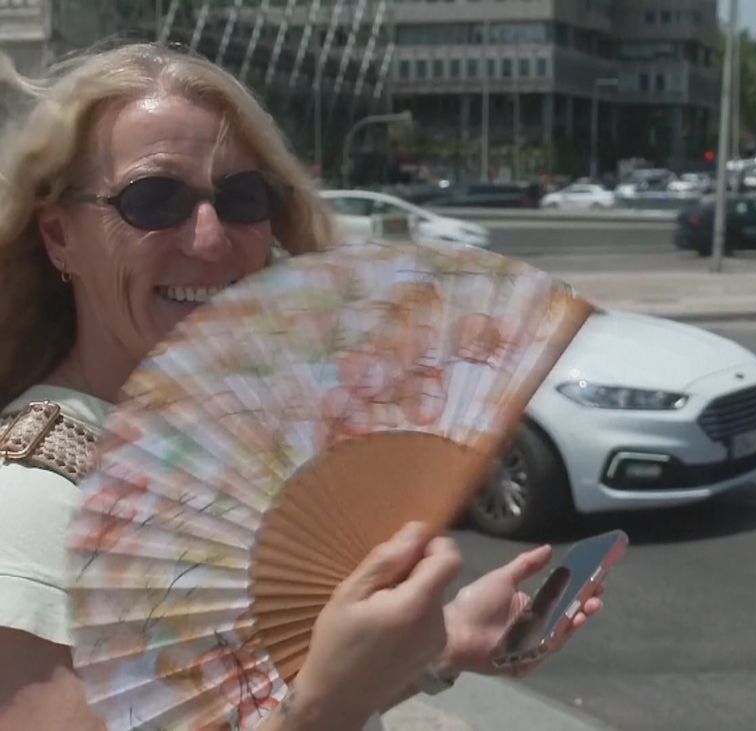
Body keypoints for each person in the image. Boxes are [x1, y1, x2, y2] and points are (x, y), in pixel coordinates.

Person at [0, 43, 601, 730]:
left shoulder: (218, 450)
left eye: (241, 197)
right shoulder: (28, 511)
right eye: (153, 199)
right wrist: (327, 706)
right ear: (58, 237)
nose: (209, 238)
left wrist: (443, 645)